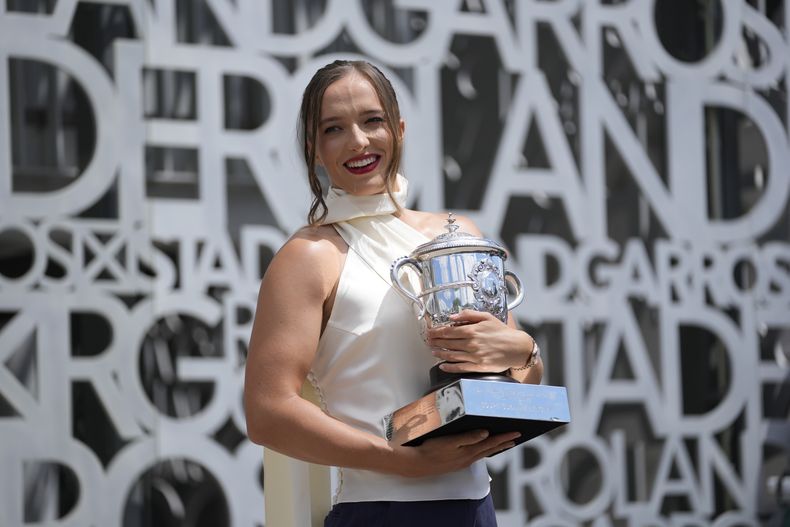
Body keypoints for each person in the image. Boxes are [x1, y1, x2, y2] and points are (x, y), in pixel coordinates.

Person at [244, 60, 543, 527]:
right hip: (378, 511)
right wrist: (402, 460)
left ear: (399, 129)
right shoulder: (308, 257)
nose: (358, 142)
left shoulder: (458, 235)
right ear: (314, 149)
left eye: (372, 121)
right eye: (334, 129)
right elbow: (267, 413)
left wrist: (526, 351)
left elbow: (520, 381)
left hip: (474, 509)